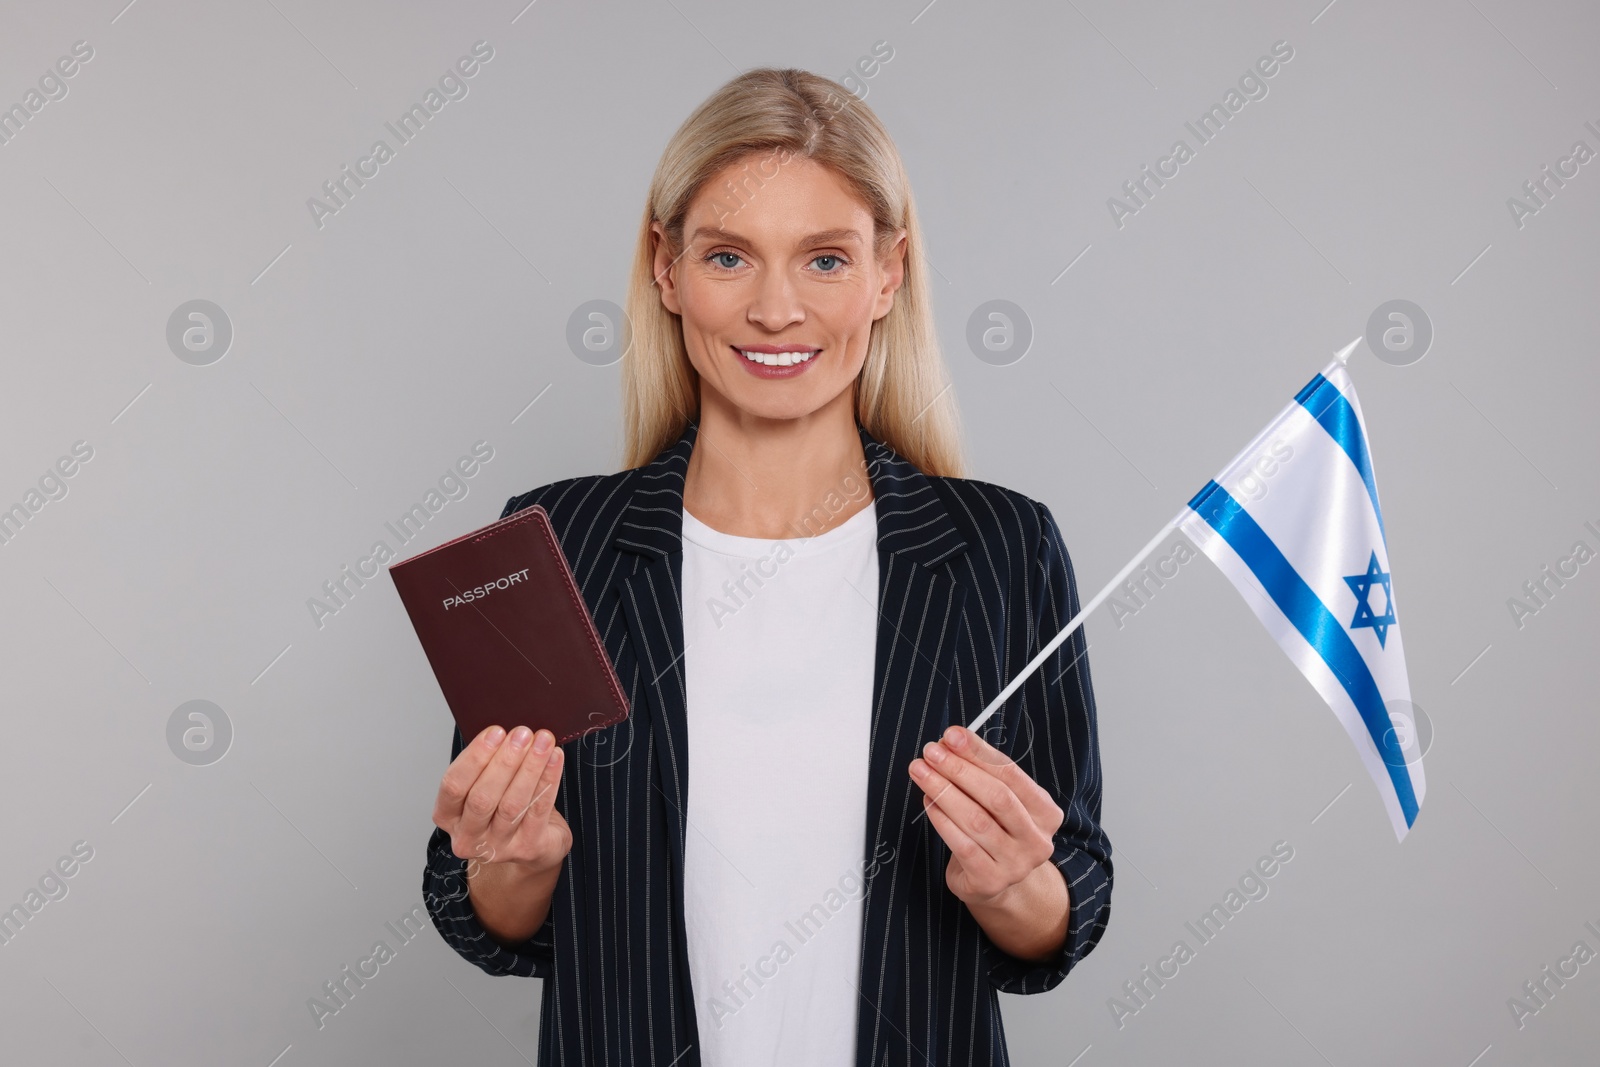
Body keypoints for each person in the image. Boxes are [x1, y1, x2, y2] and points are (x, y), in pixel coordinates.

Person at [422, 67, 1112, 1067]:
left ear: (888, 274)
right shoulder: (551, 544)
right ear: (666, 269)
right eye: (730, 256)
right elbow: (480, 909)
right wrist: (513, 858)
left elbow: (1072, 898)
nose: (776, 307)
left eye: (825, 259)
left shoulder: (1000, 546)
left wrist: (1015, 885)